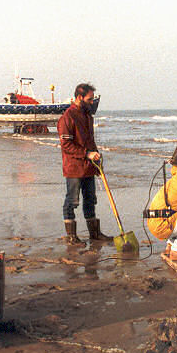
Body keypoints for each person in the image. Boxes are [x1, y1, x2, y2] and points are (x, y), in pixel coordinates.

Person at [57, 83, 113, 245]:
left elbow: (90, 141)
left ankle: (94, 234)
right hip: (74, 167)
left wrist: (97, 158)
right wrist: (87, 154)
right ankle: (71, 236)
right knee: (72, 200)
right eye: (89, 99)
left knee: (90, 199)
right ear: (79, 97)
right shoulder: (67, 117)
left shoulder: (88, 116)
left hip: (89, 167)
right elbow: (66, 145)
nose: (92, 102)